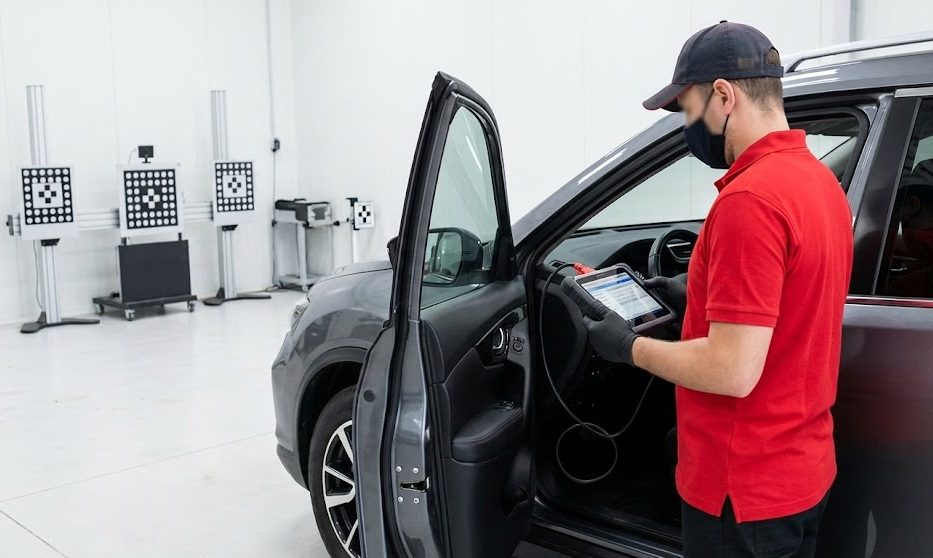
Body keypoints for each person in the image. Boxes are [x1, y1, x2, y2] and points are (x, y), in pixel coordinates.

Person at [561, 21, 853, 557]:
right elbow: (790, 302)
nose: (687, 125)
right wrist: (686, 293)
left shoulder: (750, 201)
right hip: (802, 472)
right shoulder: (820, 183)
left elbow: (733, 370)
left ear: (724, 95)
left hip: (739, 491)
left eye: (688, 110)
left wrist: (629, 347)